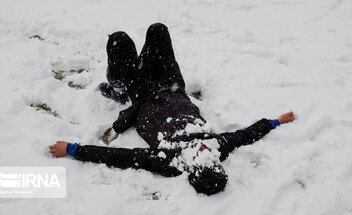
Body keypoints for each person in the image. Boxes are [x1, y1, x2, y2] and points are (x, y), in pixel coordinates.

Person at [50, 23, 295, 195]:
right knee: (158, 30)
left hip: (143, 98)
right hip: (173, 87)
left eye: (201, 156)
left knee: (119, 40)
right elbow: (245, 135)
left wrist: (73, 149)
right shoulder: (216, 147)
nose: (203, 148)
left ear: (192, 167)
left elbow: (120, 157)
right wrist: (275, 122)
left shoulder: (168, 160)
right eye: (210, 155)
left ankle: (119, 86)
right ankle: (140, 69)